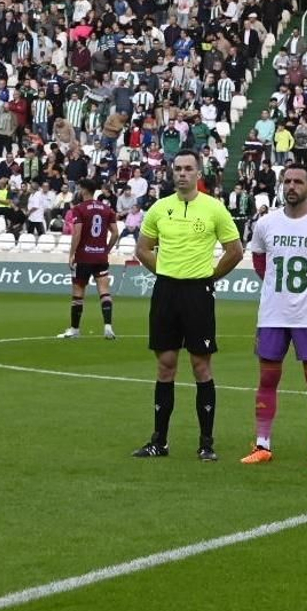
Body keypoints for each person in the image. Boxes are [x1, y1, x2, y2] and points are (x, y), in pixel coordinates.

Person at [131, 151, 245, 461]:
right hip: (166, 291)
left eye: (188, 169)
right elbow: (142, 249)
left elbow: (234, 250)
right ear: (172, 173)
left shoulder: (213, 208)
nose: (182, 174)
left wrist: (210, 277)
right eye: (178, 169)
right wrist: (166, 271)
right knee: (165, 364)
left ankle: (206, 443)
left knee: (200, 366)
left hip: (198, 292)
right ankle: (159, 441)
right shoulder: (159, 208)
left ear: (198, 173)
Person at [244, 164, 307, 467]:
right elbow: (260, 262)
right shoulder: (266, 224)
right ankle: (262, 444)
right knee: (267, 378)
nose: (291, 186)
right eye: (287, 181)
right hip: (273, 315)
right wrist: (279, 291)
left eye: (298, 181)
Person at [61, 179, 120, 339]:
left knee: (78, 293)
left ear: (84, 190)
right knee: (104, 292)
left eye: (80, 188)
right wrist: (106, 249)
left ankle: (75, 329)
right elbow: (115, 233)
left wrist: (71, 254)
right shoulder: (107, 209)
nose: (79, 191)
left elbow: (77, 233)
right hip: (101, 256)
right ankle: (108, 327)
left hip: (84, 257)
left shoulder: (79, 209)